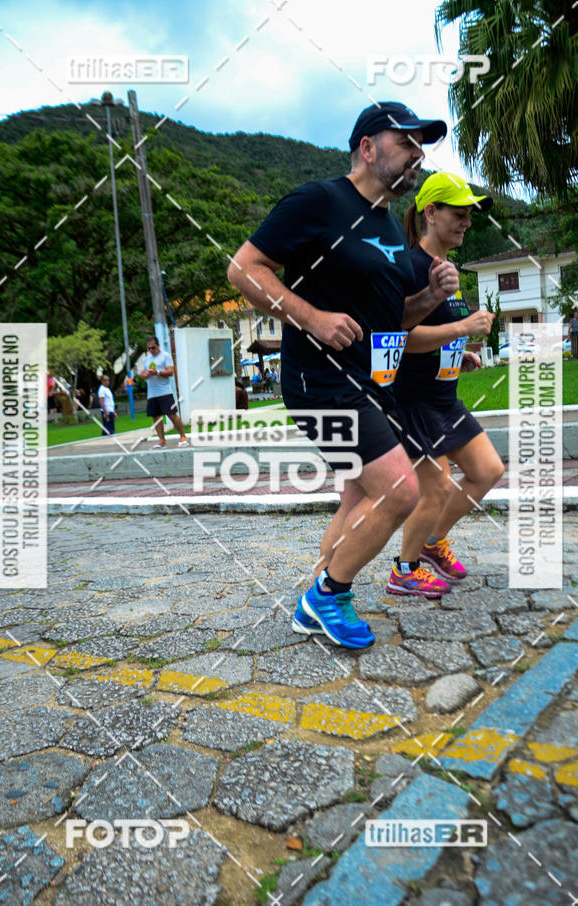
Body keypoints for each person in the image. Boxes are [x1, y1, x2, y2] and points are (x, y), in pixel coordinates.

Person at [228, 102, 459, 650]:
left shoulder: (387, 228)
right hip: (321, 379)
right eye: (406, 142)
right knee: (401, 489)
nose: (417, 155)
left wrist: (430, 295)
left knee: (360, 496)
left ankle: (316, 594)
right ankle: (329, 595)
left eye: (421, 146)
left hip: (373, 381)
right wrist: (310, 317)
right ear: (367, 147)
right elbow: (242, 268)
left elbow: (390, 321)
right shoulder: (320, 201)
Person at [386, 171, 505, 597]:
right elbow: (399, 339)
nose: (467, 223)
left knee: (488, 471)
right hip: (412, 401)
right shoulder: (409, 268)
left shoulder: (448, 269)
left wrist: (461, 352)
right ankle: (404, 568)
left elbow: (441, 333)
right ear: (430, 213)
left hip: (444, 398)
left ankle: (432, 542)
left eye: (470, 216)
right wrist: (461, 329)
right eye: (459, 214)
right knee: (436, 488)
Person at [140, 336, 189, 448]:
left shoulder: (165, 356)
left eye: (153, 347)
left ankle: (183, 436)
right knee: (156, 417)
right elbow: (142, 373)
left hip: (165, 392)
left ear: (158, 345)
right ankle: (161, 440)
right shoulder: (147, 359)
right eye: (149, 348)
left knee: (172, 415)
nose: (151, 350)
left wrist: (157, 372)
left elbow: (170, 372)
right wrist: (145, 374)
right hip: (152, 394)